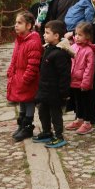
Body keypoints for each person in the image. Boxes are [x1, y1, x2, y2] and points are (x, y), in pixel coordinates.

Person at [33, 20, 74, 149]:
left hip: (55, 92)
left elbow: (64, 75)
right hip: (45, 90)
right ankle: (47, 132)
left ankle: (59, 136)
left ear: (56, 36)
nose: (44, 35)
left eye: (47, 33)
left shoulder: (60, 53)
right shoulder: (48, 48)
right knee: (42, 111)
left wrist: (64, 93)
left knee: (55, 115)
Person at [7, 12, 43, 142]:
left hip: (28, 79)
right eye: (16, 22)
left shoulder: (33, 42)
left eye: (19, 23)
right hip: (19, 76)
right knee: (21, 100)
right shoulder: (19, 40)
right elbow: (14, 58)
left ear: (28, 26)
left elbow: (33, 64)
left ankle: (27, 127)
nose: (16, 25)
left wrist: (26, 79)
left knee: (29, 101)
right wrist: (11, 71)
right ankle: (21, 125)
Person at [66, 22, 95, 135]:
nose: (77, 37)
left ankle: (87, 123)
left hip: (84, 83)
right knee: (78, 102)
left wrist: (85, 84)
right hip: (73, 81)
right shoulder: (73, 47)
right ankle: (79, 119)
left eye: (80, 35)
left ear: (88, 37)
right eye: (76, 34)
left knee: (86, 103)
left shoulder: (89, 51)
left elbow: (89, 69)